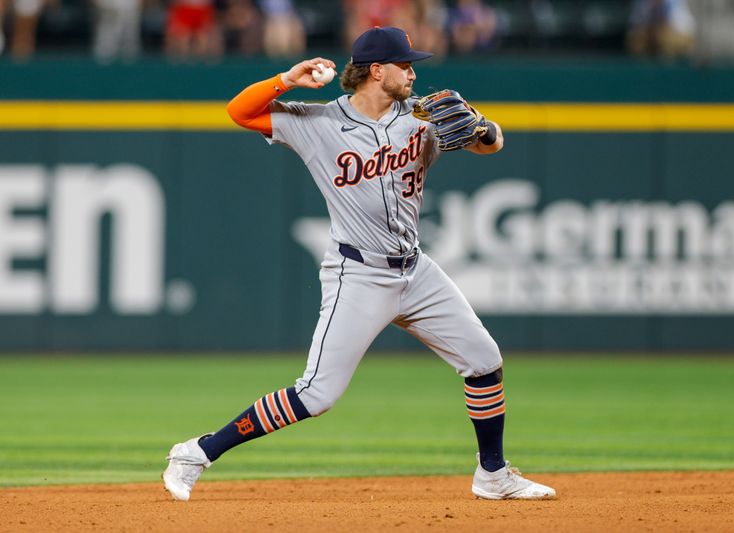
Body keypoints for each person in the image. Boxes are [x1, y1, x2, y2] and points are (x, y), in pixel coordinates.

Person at [161, 26, 556, 502]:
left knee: (484, 360)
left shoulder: (422, 115)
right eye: (405, 64)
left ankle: (492, 474)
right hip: (359, 274)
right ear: (376, 70)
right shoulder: (319, 123)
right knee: (315, 396)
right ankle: (197, 452)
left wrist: (482, 129)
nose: (413, 72)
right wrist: (287, 78)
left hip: (416, 270)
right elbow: (239, 111)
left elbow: (491, 144)